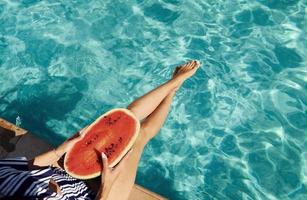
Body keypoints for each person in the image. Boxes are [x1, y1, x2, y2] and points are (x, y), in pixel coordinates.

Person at [0, 60, 201, 200]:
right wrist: (106, 187)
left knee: (120, 121)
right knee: (139, 137)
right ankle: (173, 90)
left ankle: (174, 82)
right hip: (100, 196)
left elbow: (28, 166)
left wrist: (60, 150)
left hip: (61, 173)